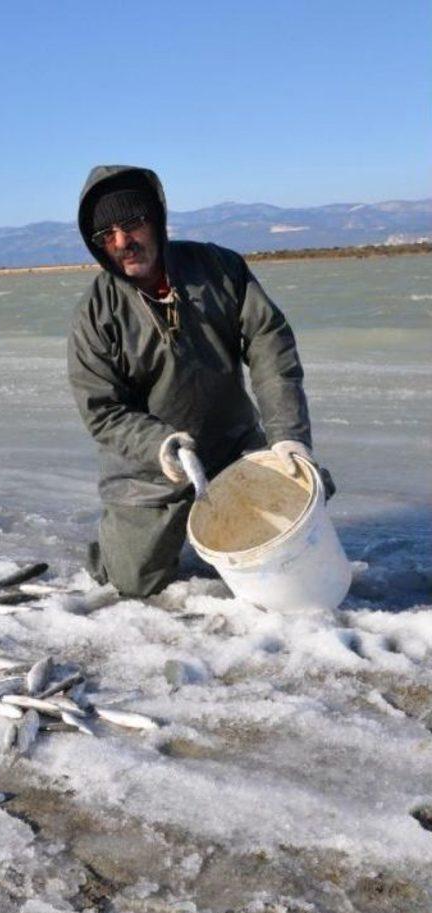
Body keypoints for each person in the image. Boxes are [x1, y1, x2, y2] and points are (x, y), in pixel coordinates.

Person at [68, 164, 332, 598]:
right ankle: (120, 543)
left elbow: (270, 347)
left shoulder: (219, 268)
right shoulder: (94, 314)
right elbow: (103, 412)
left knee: (306, 487)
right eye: (106, 235)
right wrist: (160, 445)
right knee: (133, 584)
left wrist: (288, 436)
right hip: (150, 467)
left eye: (132, 223)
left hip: (232, 445)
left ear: (157, 218)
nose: (122, 242)